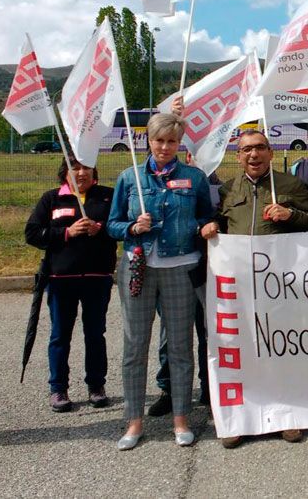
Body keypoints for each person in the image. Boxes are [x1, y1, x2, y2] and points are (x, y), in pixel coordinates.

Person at [202, 129, 308, 446]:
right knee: (243, 351)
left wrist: (291, 214)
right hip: (239, 289)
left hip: (279, 286)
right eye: (246, 150)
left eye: (259, 148)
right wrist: (212, 225)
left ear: (270, 152)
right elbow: (217, 222)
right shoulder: (228, 190)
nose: (253, 155)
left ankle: (287, 415)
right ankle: (241, 418)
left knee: (280, 349)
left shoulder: (290, 185)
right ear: (238, 156)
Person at [107, 113, 214, 450]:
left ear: (180, 143)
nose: (165, 147)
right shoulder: (129, 178)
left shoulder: (194, 178)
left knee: (180, 348)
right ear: (148, 142)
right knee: (134, 346)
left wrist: (204, 226)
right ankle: (134, 421)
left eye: (172, 141)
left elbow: (205, 216)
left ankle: (181, 419)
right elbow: (112, 224)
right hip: (138, 267)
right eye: (159, 141)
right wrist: (131, 228)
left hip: (180, 268)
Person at [24, 156, 116, 412]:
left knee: (95, 334)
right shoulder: (51, 198)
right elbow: (32, 233)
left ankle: (96, 385)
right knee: (60, 335)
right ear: (65, 172)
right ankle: (58, 389)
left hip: (98, 278)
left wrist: (102, 229)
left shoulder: (108, 196)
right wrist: (66, 233)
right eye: (74, 167)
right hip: (61, 280)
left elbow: (121, 227)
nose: (81, 172)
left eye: (86, 167)